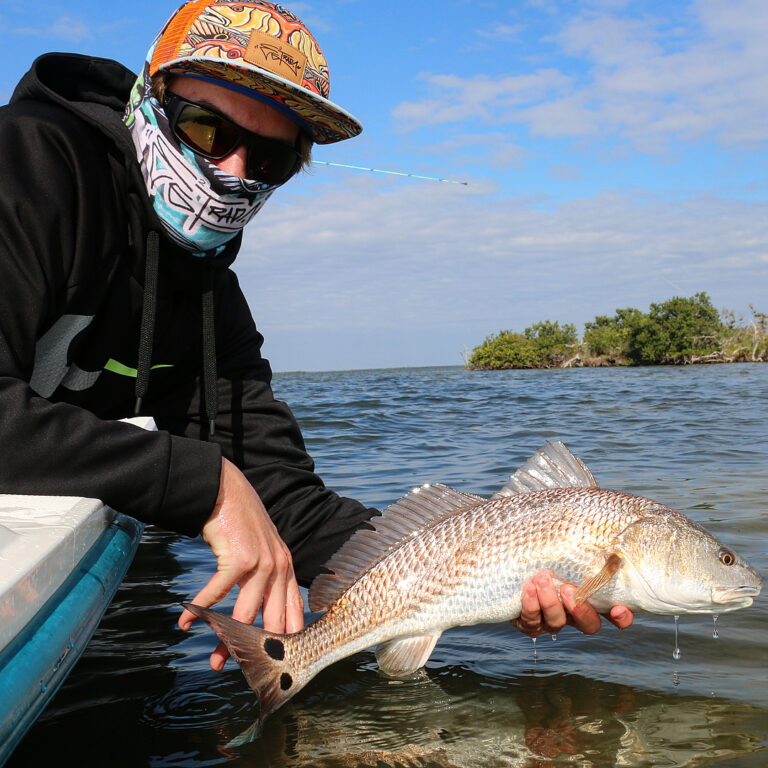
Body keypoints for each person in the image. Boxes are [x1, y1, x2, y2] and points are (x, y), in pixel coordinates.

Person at [0, 0, 632, 673]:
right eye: (208, 130)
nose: (236, 171)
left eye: (270, 159)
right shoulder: (28, 164)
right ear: (149, 101)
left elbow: (285, 497)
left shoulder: (209, 292)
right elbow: (219, 481)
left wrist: (480, 569)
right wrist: (204, 482)